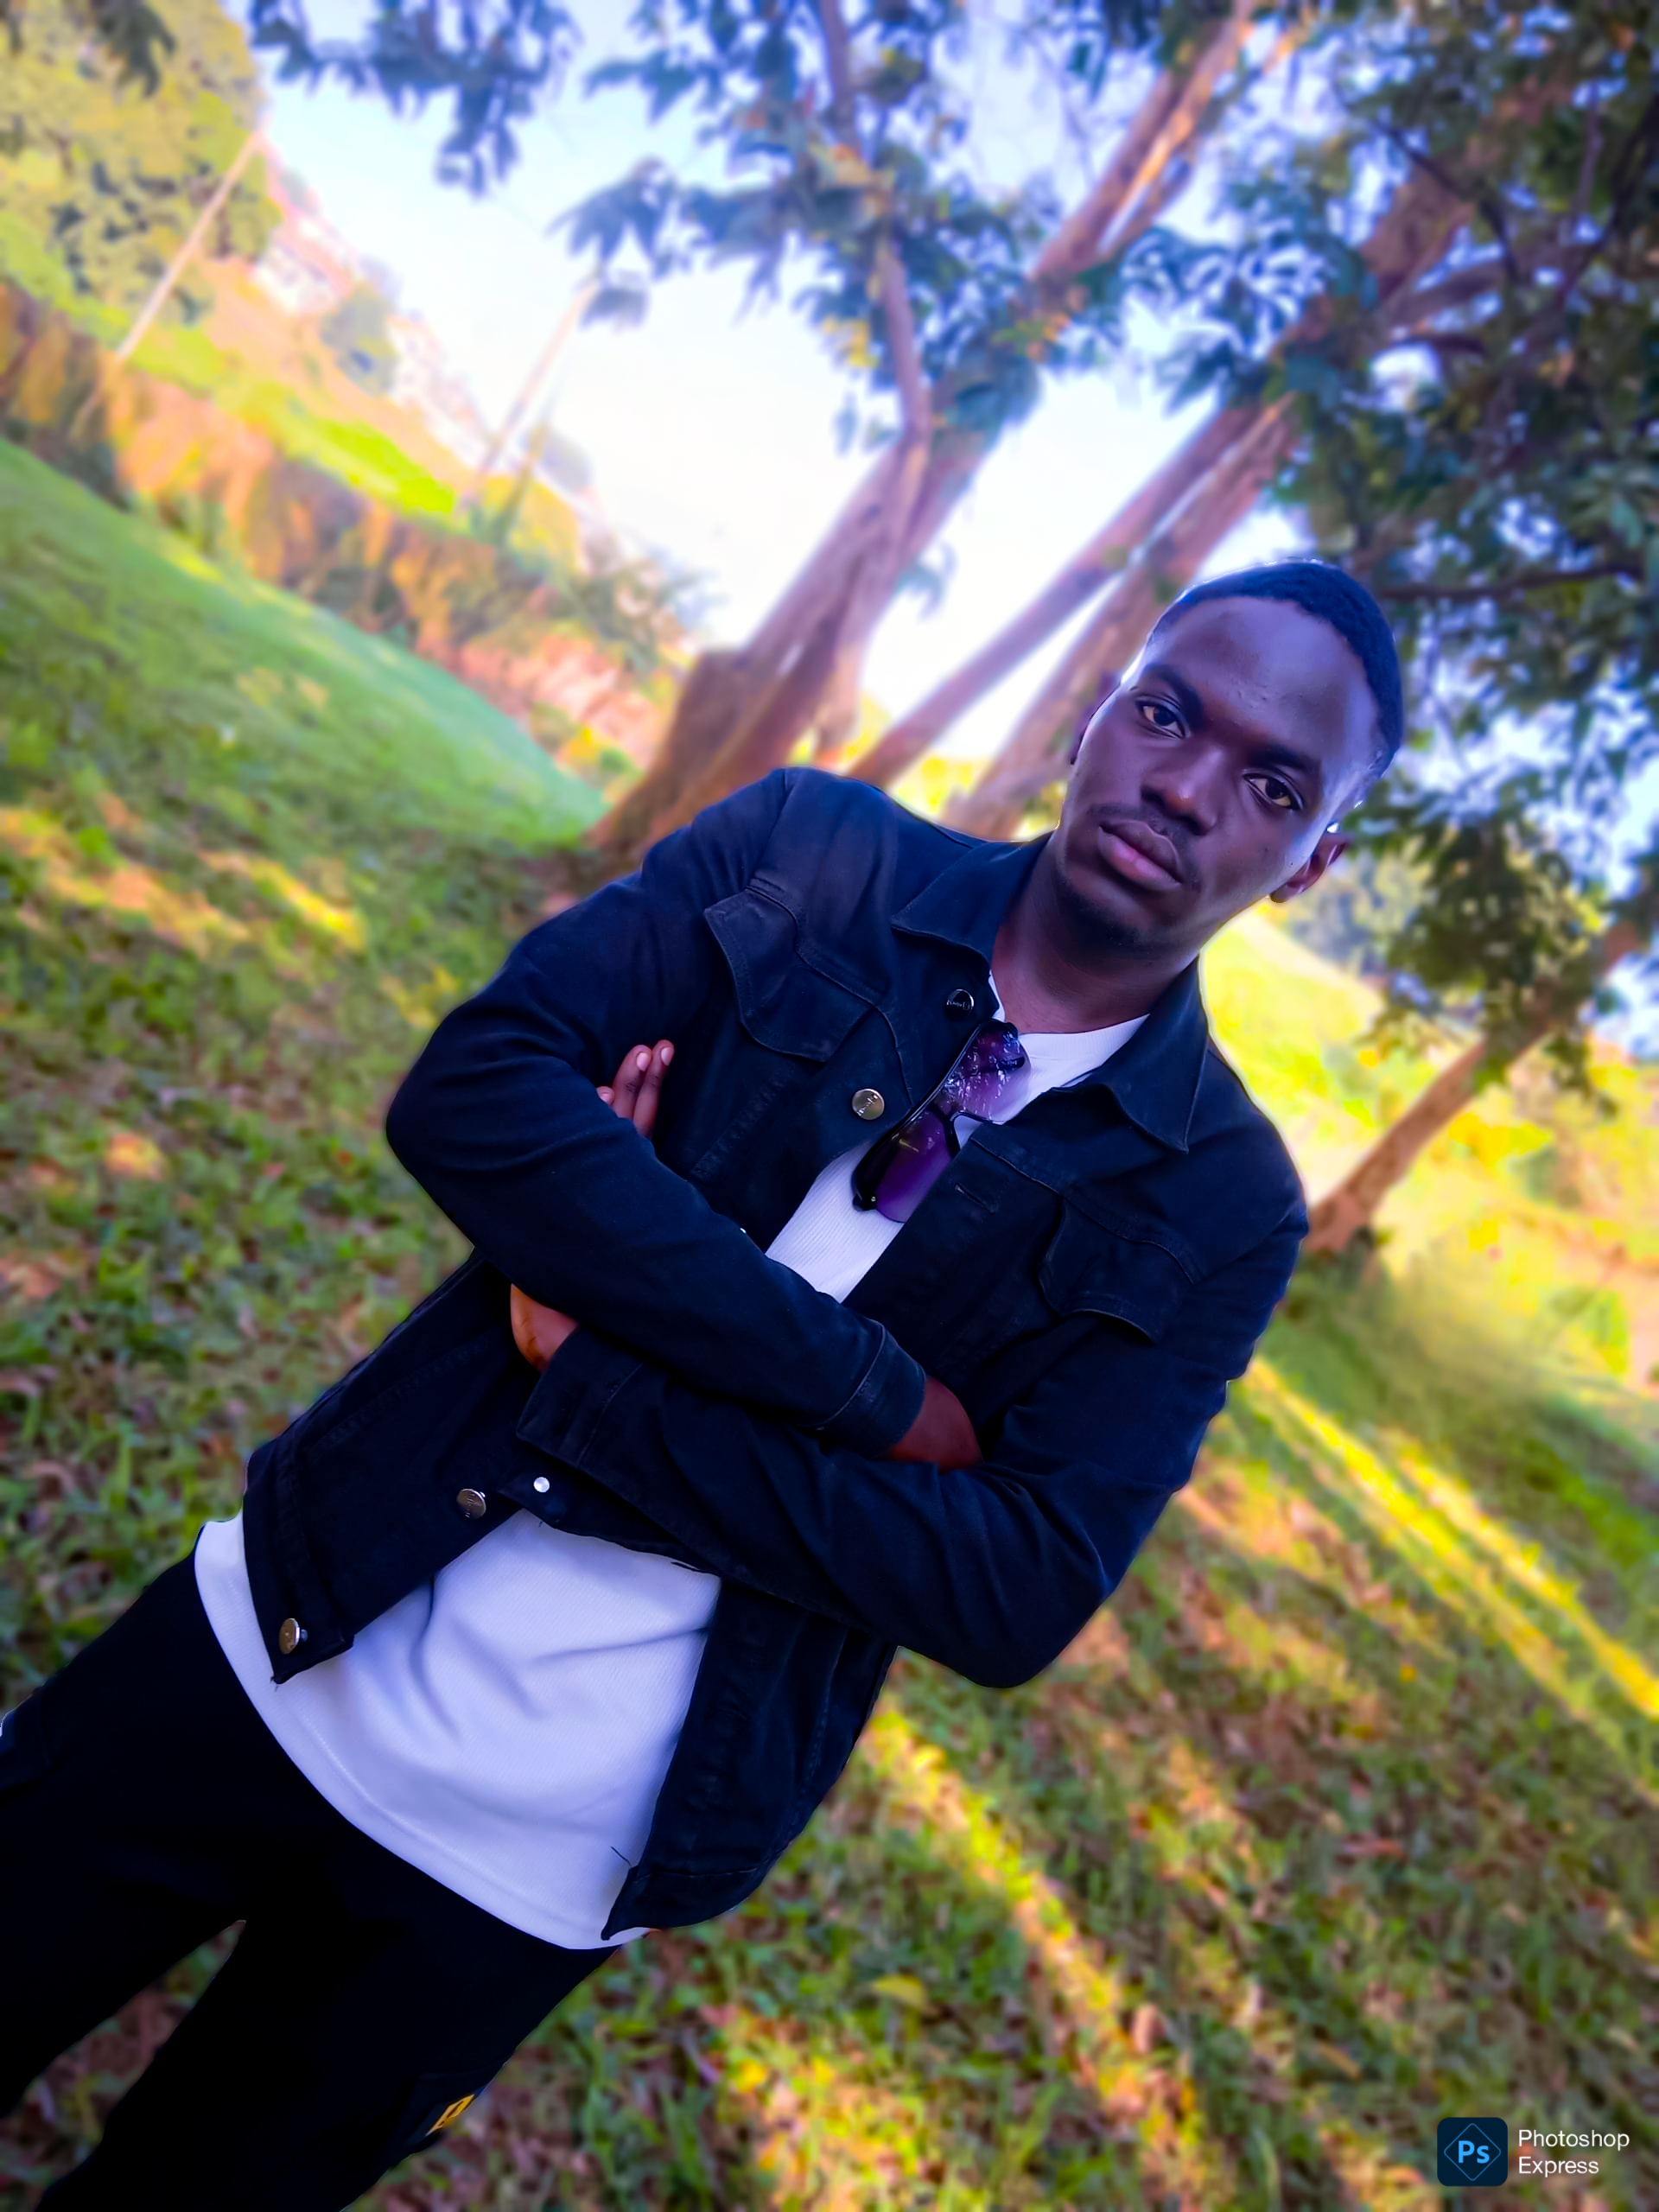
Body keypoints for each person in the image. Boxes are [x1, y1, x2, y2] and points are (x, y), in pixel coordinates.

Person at [0, 562, 1403, 2209]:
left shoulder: (1223, 1204)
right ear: (1101, 706)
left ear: (1313, 860)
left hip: (534, 1861)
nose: (1186, 785)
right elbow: (473, 1093)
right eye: (1168, 712)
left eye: (1273, 785)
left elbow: (1014, 1588)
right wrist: (877, 1402)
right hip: (287, 1620)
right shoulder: (814, 852)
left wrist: (605, 1339)